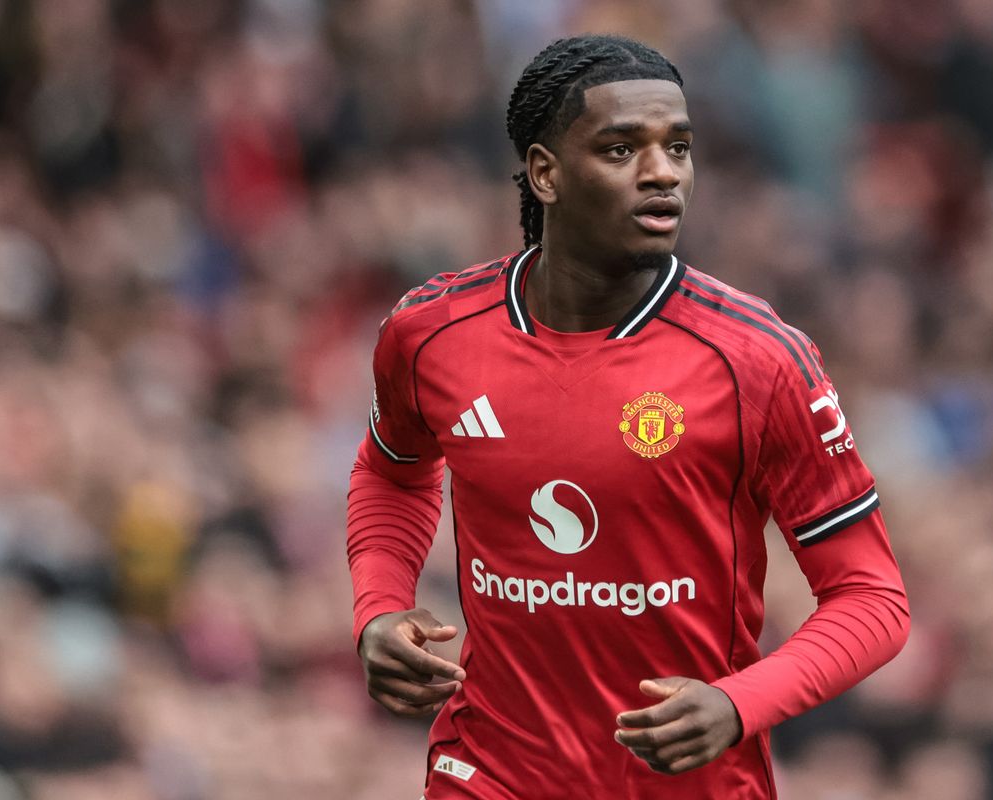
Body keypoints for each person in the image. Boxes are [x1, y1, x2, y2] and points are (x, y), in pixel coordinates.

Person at [346, 34, 909, 800]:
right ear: (545, 173)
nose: (663, 172)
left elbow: (872, 598)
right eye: (621, 149)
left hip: (687, 786)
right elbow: (392, 470)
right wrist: (379, 607)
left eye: (678, 146)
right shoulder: (432, 333)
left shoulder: (759, 359)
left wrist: (741, 702)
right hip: (491, 773)